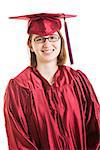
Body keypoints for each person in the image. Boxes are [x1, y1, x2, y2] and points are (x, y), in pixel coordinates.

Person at [4, 13, 100, 150]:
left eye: (52, 37)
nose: (47, 44)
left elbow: (95, 127)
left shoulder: (77, 81)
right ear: (30, 45)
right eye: (39, 39)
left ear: (61, 41)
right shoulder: (19, 87)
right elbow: (19, 140)